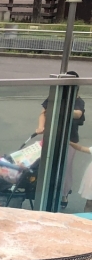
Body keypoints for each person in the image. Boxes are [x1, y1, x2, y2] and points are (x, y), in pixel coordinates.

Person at [36, 71, 86, 210]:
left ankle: (64, 193)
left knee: (65, 167)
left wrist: (61, 107)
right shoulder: (55, 96)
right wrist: (41, 127)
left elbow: (78, 113)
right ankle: (44, 190)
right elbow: (43, 113)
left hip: (70, 141)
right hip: (51, 136)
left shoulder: (77, 101)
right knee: (45, 163)